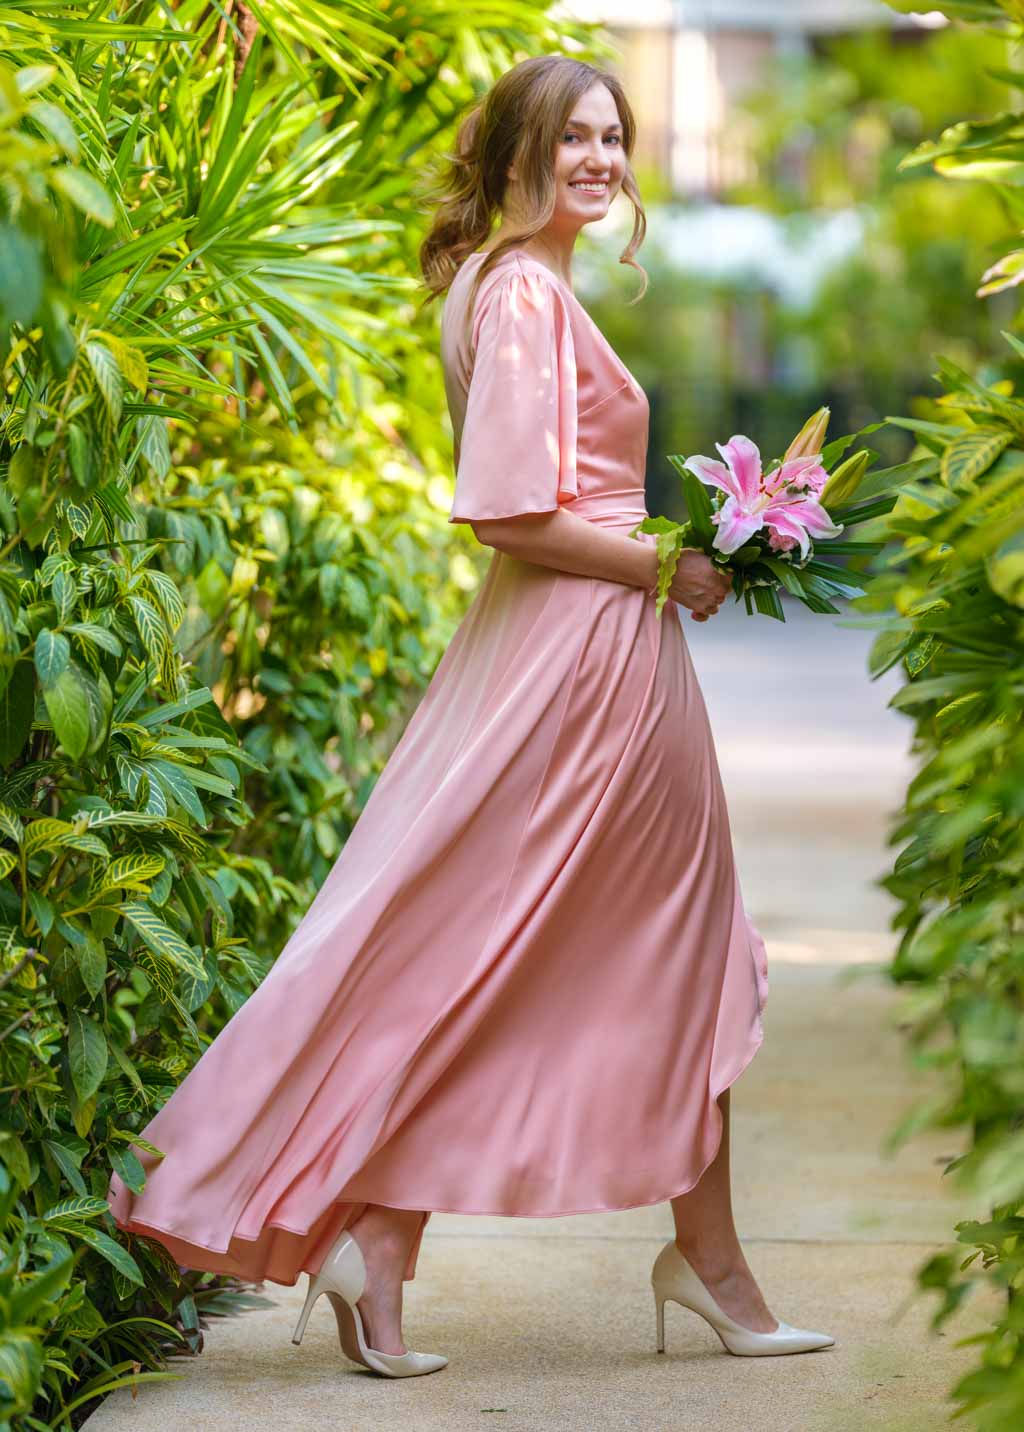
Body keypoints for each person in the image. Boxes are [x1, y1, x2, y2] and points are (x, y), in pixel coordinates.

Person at [107, 54, 835, 1378]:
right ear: (514, 154)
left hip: (577, 656)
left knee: (501, 960)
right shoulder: (522, 296)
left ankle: (386, 1258)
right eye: (573, 137)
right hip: (588, 671)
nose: (601, 160)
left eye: (614, 136)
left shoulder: (520, 285)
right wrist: (670, 562)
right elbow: (505, 511)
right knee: (658, 955)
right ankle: (703, 1267)